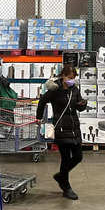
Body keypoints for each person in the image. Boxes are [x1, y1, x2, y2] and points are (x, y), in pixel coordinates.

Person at [35, 64, 87, 200]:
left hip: (74, 127)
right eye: (70, 78)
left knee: (78, 156)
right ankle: (66, 187)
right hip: (61, 128)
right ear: (63, 76)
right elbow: (42, 102)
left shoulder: (74, 89)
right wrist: (38, 117)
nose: (72, 80)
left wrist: (83, 104)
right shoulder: (54, 89)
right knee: (65, 159)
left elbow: (78, 106)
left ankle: (60, 176)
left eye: (73, 78)